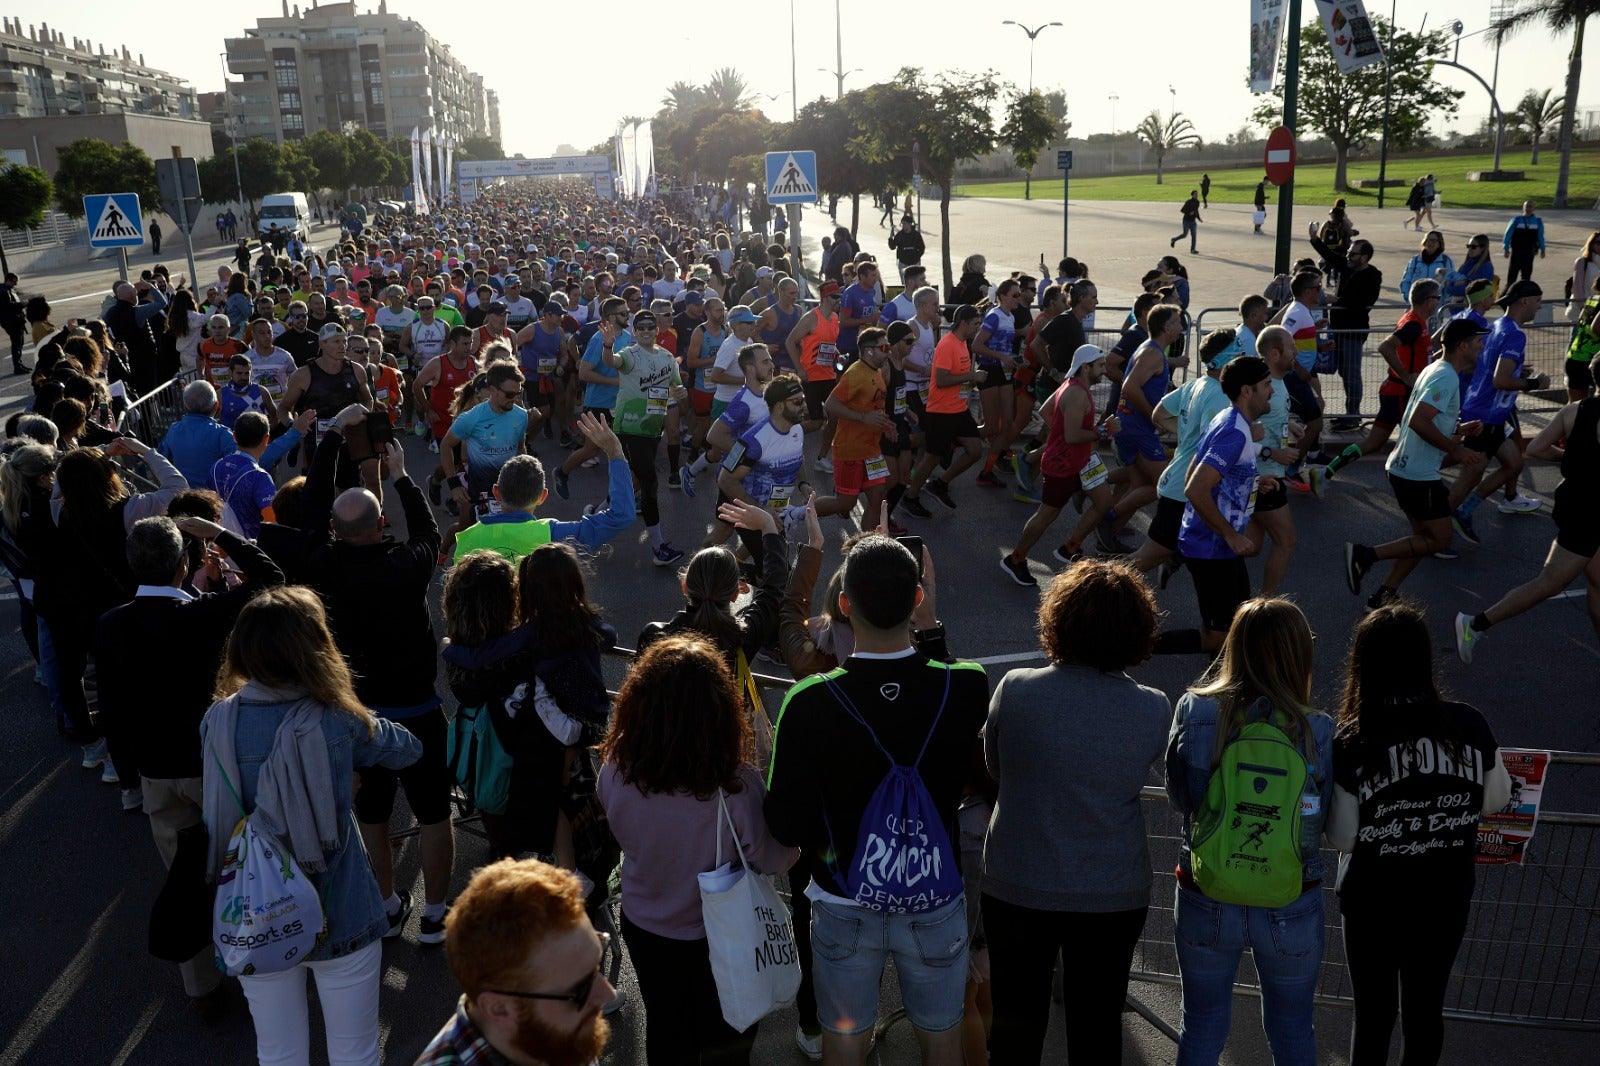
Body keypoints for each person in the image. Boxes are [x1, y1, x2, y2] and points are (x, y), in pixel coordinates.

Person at [765, 534, 983, 1066]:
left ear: (844, 603)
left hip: (842, 901)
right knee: (942, 1044)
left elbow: (785, 821)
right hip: (934, 897)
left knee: (843, 1047)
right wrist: (930, 626)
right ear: (917, 599)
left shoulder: (809, 700)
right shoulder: (966, 686)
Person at [200, 586, 423, 1066]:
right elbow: (408, 748)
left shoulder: (217, 720)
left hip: (254, 908)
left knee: (278, 1054)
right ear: (316, 647)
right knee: (355, 1052)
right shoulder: (335, 720)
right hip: (340, 904)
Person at [95, 514, 285, 1014]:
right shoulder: (208, 615)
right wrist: (218, 532)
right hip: (218, 768)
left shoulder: (113, 624)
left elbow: (112, 706)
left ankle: (200, 986)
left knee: (183, 880)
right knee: (241, 873)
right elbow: (273, 579)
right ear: (185, 564)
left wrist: (127, 773)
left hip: (156, 770)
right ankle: (258, 969)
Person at [982, 560, 1168, 1063]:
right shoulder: (1154, 707)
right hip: (1112, 891)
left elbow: (994, 766)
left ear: (1057, 621)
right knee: (1097, 1026)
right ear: (1138, 631)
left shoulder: (1016, 688)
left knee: (1015, 1027)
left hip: (1018, 880)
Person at [599, 634, 799, 1065]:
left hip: (644, 925)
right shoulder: (735, 786)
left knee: (668, 1032)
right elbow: (772, 858)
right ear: (719, 711)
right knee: (728, 1039)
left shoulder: (616, 769)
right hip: (719, 936)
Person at [1327, 603, 1512, 1066]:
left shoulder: (1354, 738)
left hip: (1373, 900)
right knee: (1424, 1012)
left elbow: (1345, 838)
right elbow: (1494, 799)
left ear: (1363, 663)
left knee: (1373, 1015)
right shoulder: (1467, 723)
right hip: (1443, 895)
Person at [301, 416, 452, 945]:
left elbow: (312, 515)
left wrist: (331, 442)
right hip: (417, 709)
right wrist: (403, 477)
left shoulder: (320, 565)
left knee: (373, 815)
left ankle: (387, 906)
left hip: (359, 715)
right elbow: (432, 534)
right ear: (381, 523)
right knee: (434, 814)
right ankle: (435, 914)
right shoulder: (406, 564)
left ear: (337, 531)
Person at [1166, 598, 1334, 1065]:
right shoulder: (1314, 727)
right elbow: (1317, 820)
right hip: (1291, 897)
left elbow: (1182, 799)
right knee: (1293, 1031)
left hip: (1206, 888)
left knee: (1201, 1027)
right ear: (1299, 653)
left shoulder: (1197, 710)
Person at [1344, 318, 1490, 610]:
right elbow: (1418, 420)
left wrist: (1460, 430)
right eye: (1477, 341)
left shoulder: (1436, 369)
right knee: (1438, 539)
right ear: (1462, 346)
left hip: (1405, 468)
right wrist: (1456, 450)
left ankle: (1384, 594)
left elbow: (1427, 417)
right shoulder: (1446, 376)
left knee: (1422, 538)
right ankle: (1364, 555)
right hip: (1417, 474)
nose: (1481, 345)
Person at [413, 858, 616, 1066]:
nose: (608, 994)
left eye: (596, 965)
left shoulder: (561, 1034)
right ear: (499, 1008)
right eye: (580, 991)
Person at [1456, 391, 1600, 659]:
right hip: (1589, 512)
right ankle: (1475, 624)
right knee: (1550, 583)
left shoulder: (1572, 410)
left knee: (1597, 583)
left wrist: (1569, 457)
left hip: (1574, 502)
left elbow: (1535, 448)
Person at [1156, 356, 1277, 657]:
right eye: (1266, 384)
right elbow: (1195, 488)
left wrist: (1252, 481)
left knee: (1237, 627)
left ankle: (1226, 691)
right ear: (1247, 391)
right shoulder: (1234, 432)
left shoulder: (1227, 418)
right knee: (1218, 637)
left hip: (1218, 546)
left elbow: (1193, 470)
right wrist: (1231, 535)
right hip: (1211, 547)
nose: (1271, 390)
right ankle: (1133, 648)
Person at [1000, 344, 1121, 586]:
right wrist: (1104, 430)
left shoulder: (1070, 385)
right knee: (1046, 515)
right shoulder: (1076, 394)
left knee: (1104, 502)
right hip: (1063, 465)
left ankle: (1070, 548)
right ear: (1085, 368)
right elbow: (1073, 436)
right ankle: (1015, 559)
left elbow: (1046, 412)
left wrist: (1060, 430)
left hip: (1082, 461)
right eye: (1099, 366)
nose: (1104, 371)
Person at [452, 412, 635, 562]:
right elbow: (621, 515)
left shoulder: (467, 539)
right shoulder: (555, 535)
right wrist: (615, 452)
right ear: (542, 496)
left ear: (496, 492)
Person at [1314, 279, 1442, 492]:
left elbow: (1417, 355)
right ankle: (1419, 484)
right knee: (1424, 439)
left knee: (1374, 442)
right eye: (1437, 298)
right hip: (1402, 394)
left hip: (1395, 393)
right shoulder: (1412, 324)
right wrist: (1406, 376)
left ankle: (1324, 472)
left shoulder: (1417, 322)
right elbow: (1386, 347)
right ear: (1429, 301)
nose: (1439, 302)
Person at [1449, 280, 1549, 544]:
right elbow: (1499, 380)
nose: (1539, 308)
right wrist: (1534, 383)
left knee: (1514, 463)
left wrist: (1517, 370)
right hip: (1487, 414)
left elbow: (1488, 367)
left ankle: (1461, 512)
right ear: (1524, 301)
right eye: (1538, 301)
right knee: (1471, 472)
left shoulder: (1496, 326)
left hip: (1486, 410)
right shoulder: (1515, 334)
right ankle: (1436, 526)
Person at [596, 308, 689, 566]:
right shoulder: (630, 354)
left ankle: (597, 511)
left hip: (652, 428)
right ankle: (658, 548)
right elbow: (610, 362)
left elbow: (677, 388)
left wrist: (681, 395)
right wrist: (607, 344)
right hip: (628, 427)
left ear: (657, 330)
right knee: (649, 482)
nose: (646, 331)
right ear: (635, 332)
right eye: (641, 328)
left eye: (650, 327)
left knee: (633, 480)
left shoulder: (668, 357)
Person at [899, 305, 985, 518]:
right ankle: (910, 497)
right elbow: (942, 379)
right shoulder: (948, 345)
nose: (978, 328)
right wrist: (971, 377)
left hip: (959, 409)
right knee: (931, 458)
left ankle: (940, 483)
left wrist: (968, 382)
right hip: (942, 411)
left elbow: (958, 376)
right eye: (975, 324)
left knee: (975, 450)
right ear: (963, 323)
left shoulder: (963, 343)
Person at [812, 326, 896, 527]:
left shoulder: (876, 373)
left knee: (878, 497)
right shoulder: (855, 374)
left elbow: (874, 407)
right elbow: (831, 405)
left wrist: (887, 425)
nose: (888, 352)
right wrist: (862, 417)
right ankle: (797, 514)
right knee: (845, 503)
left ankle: (866, 546)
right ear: (869, 350)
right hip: (850, 450)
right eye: (884, 347)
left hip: (872, 451)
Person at [786, 281, 842, 469]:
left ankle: (822, 458)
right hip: (811, 377)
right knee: (816, 422)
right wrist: (800, 369)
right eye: (835, 297)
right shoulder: (811, 318)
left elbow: (828, 344)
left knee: (835, 416)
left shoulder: (834, 318)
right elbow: (790, 341)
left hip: (828, 375)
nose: (838, 301)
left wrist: (836, 353)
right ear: (825, 297)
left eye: (839, 297)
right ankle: (782, 435)